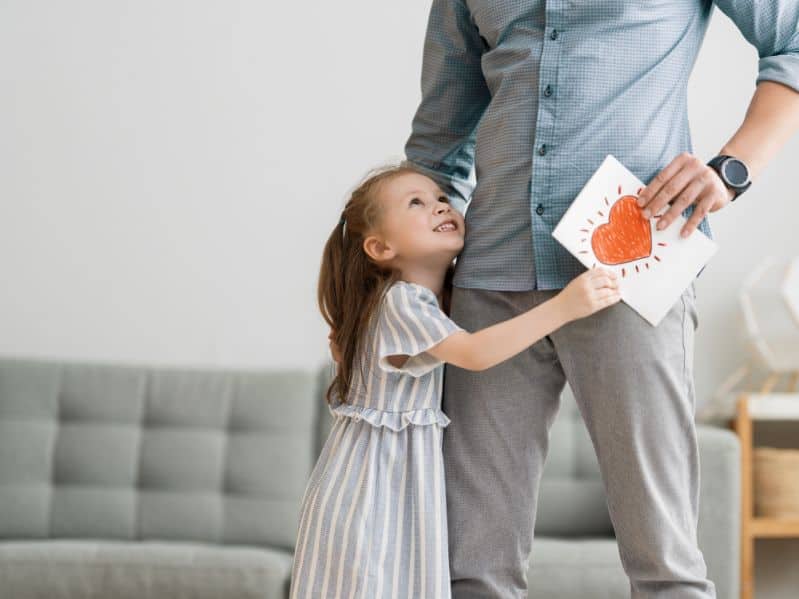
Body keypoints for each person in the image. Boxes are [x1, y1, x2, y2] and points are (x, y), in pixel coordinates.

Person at [399, 1, 799, 598]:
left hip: (633, 274)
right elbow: (438, 143)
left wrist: (729, 170)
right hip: (490, 281)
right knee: (473, 568)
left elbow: (791, 43)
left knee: (665, 563)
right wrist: (410, 304)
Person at [288, 163, 621, 598]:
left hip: (387, 484)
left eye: (441, 198)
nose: (440, 206)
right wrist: (564, 306)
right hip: (374, 491)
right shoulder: (402, 303)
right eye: (416, 203)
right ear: (380, 247)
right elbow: (476, 352)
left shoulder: (415, 304)